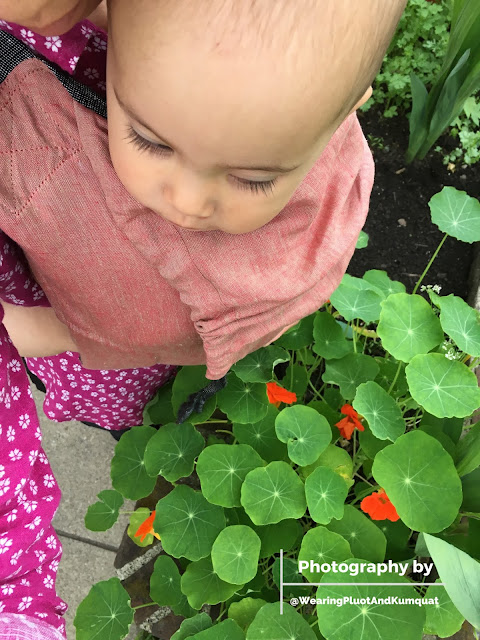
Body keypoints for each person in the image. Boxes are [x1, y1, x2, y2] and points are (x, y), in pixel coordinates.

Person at [0, 0, 407, 637]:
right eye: (150, 141)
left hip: (139, 359)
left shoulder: (312, 167)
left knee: (165, 414)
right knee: (134, 418)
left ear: (349, 109)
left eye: (251, 179)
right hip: (72, 343)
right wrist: (55, 332)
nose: (188, 202)